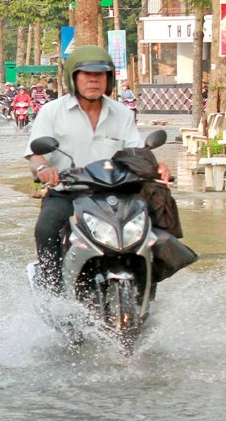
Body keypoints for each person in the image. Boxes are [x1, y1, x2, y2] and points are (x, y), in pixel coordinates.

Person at [26, 45, 170, 288]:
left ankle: (147, 287)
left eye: (100, 75)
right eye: (86, 75)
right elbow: (35, 155)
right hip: (68, 193)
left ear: (109, 79)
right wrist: (43, 170)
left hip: (116, 195)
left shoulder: (122, 113)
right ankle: (53, 289)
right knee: (45, 228)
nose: (93, 80)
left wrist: (157, 167)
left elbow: (136, 151)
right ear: (73, 78)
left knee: (154, 230)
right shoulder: (52, 112)